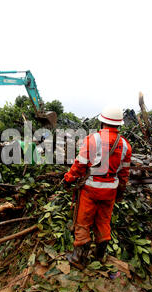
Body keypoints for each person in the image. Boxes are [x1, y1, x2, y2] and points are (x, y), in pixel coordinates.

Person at [63, 106, 132, 269]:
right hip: (110, 191)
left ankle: (79, 258)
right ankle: (100, 255)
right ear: (119, 125)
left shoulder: (92, 139)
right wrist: (120, 192)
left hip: (91, 189)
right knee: (103, 222)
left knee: (83, 222)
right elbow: (124, 174)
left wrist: (68, 179)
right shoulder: (125, 145)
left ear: (102, 122)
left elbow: (79, 165)